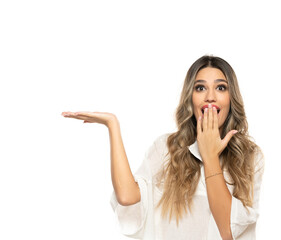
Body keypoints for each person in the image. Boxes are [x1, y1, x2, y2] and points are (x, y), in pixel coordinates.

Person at [61, 55, 265, 240]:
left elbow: (228, 231)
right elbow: (127, 197)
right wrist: (112, 125)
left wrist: (210, 156)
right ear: (190, 98)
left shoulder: (249, 157)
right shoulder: (167, 148)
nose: (210, 96)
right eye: (200, 88)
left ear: (231, 98)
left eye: (221, 88)